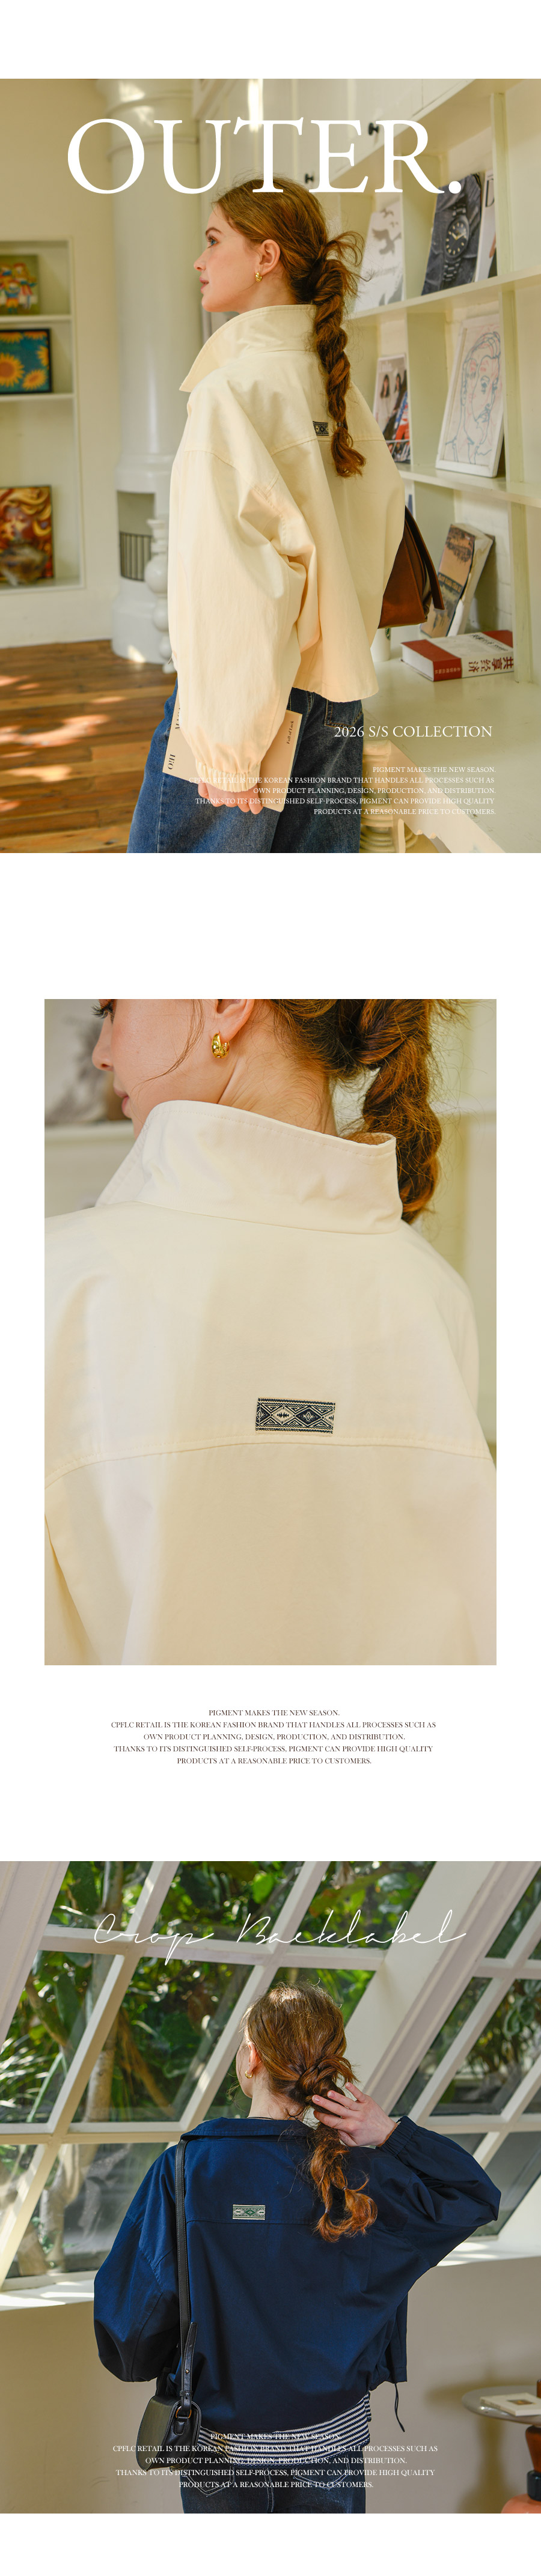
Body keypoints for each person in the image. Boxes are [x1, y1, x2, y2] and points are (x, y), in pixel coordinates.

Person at [44, 995, 496, 1671]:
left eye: (111, 1008)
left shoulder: (56, 1282)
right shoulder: (434, 1293)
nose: (101, 1052)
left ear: (226, 1003)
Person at [93, 1981, 501, 2517]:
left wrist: (161, 2362)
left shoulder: (184, 2170)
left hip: (219, 2449)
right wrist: (389, 2133)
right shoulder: (360, 2176)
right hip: (330, 2448)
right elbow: (475, 2197)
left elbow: (131, 2326)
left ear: (251, 2059)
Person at [127, 183, 404, 857]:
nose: (199, 260)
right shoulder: (339, 390)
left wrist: (227, 748)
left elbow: (232, 582)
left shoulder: (230, 393)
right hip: (336, 704)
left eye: (214, 240)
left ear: (266, 256)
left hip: (251, 708)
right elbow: (380, 529)